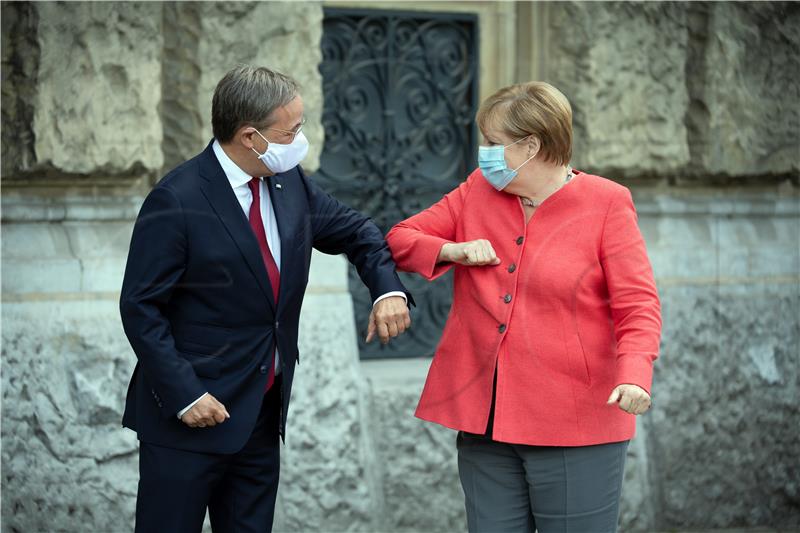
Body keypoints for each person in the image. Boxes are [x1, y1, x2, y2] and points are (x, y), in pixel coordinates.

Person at [119, 65, 412, 533]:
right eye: (291, 130)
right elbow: (140, 307)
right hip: (189, 417)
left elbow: (357, 230)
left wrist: (387, 289)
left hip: (259, 412)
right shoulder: (177, 198)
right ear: (250, 136)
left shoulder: (287, 181)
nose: (301, 139)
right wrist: (186, 394)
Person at [385, 81, 661, 533]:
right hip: (484, 419)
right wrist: (452, 251)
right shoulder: (477, 189)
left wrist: (635, 374)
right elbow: (399, 239)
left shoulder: (607, 202)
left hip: (576, 424)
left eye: (494, 143)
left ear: (532, 145)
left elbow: (638, 303)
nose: (483, 153)